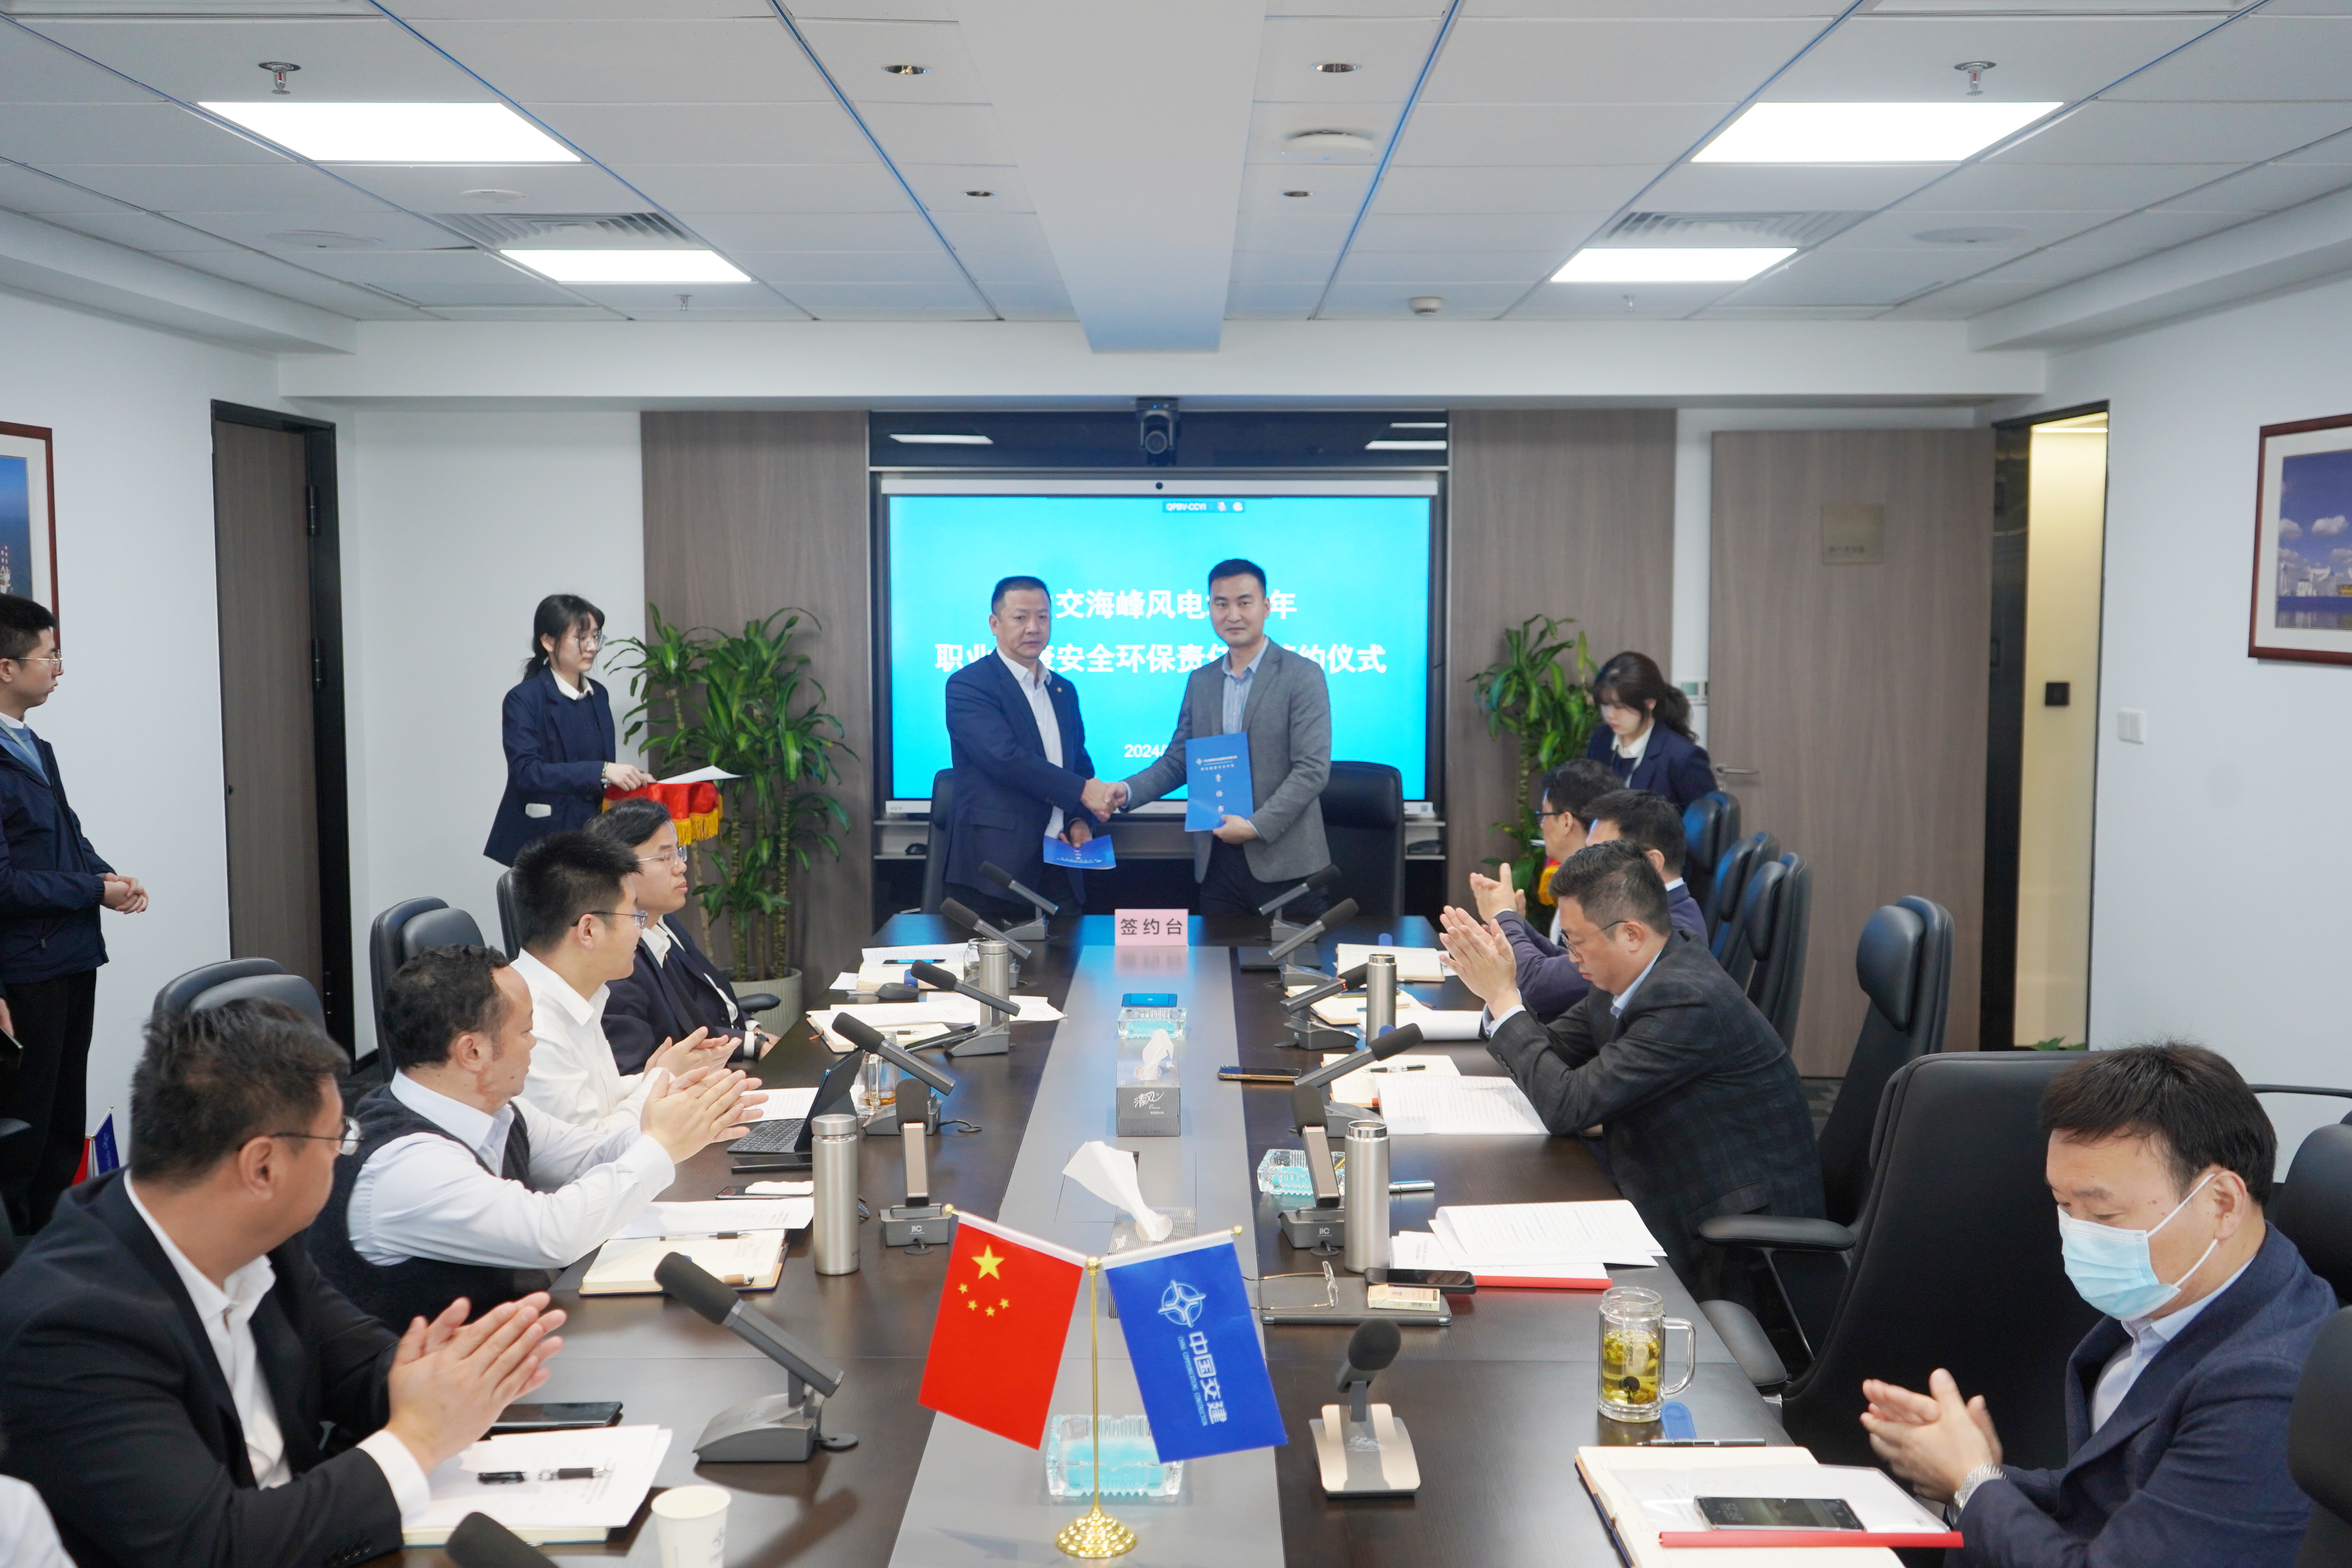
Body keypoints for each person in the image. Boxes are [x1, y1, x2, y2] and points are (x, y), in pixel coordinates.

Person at [0, 1000, 568, 1568]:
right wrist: (416, 1439)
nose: (343, 1157)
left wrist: (446, 1376)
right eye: (339, 1139)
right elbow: (213, 1550)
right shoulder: (72, 1329)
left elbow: (364, 1370)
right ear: (263, 1167)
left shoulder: (259, 1237)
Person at [1858, 1043, 2337, 1568]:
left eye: (2104, 1216)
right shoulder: (2179, 1296)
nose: (2078, 1236)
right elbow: (2110, 1500)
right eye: (2064, 1206)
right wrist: (1966, 1467)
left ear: (2222, 1203)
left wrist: (1972, 1484)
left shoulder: (2267, 1389)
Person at [1437, 840, 1822, 1297]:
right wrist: (1498, 995)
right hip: (1656, 1180)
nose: (1570, 956)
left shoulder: (1685, 997)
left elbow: (1567, 1104)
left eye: (1576, 941)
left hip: (1729, 1244)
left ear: (1632, 935)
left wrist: (1504, 998)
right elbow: (1555, 1051)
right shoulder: (1629, 975)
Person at [310, 944, 758, 1330]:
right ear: (472, 1051)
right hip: (434, 1394)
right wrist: (659, 1145)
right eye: (526, 1031)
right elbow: (553, 1233)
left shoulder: (498, 1110)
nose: (534, 1044)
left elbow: (590, 1157)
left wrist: (680, 1124)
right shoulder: (406, 1164)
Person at [0, 593, 148, 1235]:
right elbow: (5, 884)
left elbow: (66, 836)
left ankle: (58, 1248)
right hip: (25, 968)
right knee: (25, 1130)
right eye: (49, 655)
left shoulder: (35, 746)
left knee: (64, 1120)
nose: (59, 668)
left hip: (70, 953)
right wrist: (91, 891)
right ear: (8, 667)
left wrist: (106, 876)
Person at [1110, 559, 1333, 917]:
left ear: (1266, 607)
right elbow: (1180, 760)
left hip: (1286, 866)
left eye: (1244, 602)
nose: (1233, 615)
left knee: (1294, 958)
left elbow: (1312, 770)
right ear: (1210, 609)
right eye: (1221, 604)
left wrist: (1256, 826)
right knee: (1217, 955)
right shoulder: (1202, 680)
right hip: (1218, 863)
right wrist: (1127, 791)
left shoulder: (1302, 675)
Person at [508, 830, 733, 1134]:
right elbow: (588, 1149)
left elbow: (602, 1099)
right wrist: (661, 1079)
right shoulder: (533, 1027)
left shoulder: (577, 991)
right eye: (634, 917)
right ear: (588, 931)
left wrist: (662, 1075)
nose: (640, 931)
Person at [942, 575, 1116, 920]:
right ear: (995, 624)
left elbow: (1079, 765)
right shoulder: (969, 685)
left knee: (1068, 955)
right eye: (1021, 617)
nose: (1033, 628)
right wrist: (1082, 791)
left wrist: (1080, 820)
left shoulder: (1063, 690)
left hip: (1061, 864)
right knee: (992, 958)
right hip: (996, 870)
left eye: (1043, 617)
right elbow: (1004, 758)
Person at [484, 593, 654, 866]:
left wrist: (628, 780)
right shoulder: (524, 699)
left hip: (593, 835)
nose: (592, 647)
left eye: (596, 637)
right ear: (548, 642)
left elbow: (598, 771)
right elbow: (526, 772)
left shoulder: (598, 694)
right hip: (545, 841)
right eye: (581, 638)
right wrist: (602, 770)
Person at [589, 800, 757, 1074]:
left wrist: (753, 1033)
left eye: (678, 853)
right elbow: (637, 1070)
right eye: (664, 857)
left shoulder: (665, 924)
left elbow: (708, 998)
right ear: (620, 870)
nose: (680, 867)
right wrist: (751, 1044)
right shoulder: (618, 962)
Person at [1467, 758, 1619, 1020]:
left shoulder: (1603, 893)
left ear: (1566, 821)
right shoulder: (1576, 882)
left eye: (1544, 816)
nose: (1542, 826)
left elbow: (1538, 985)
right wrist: (1515, 925)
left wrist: (1503, 915)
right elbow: (1561, 962)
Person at [1582, 650, 1715, 811]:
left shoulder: (1682, 757)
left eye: (1620, 707)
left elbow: (1705, 821)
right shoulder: (1601, 738)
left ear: (1650, 703)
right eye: (1605, 705)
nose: (1610, 714)